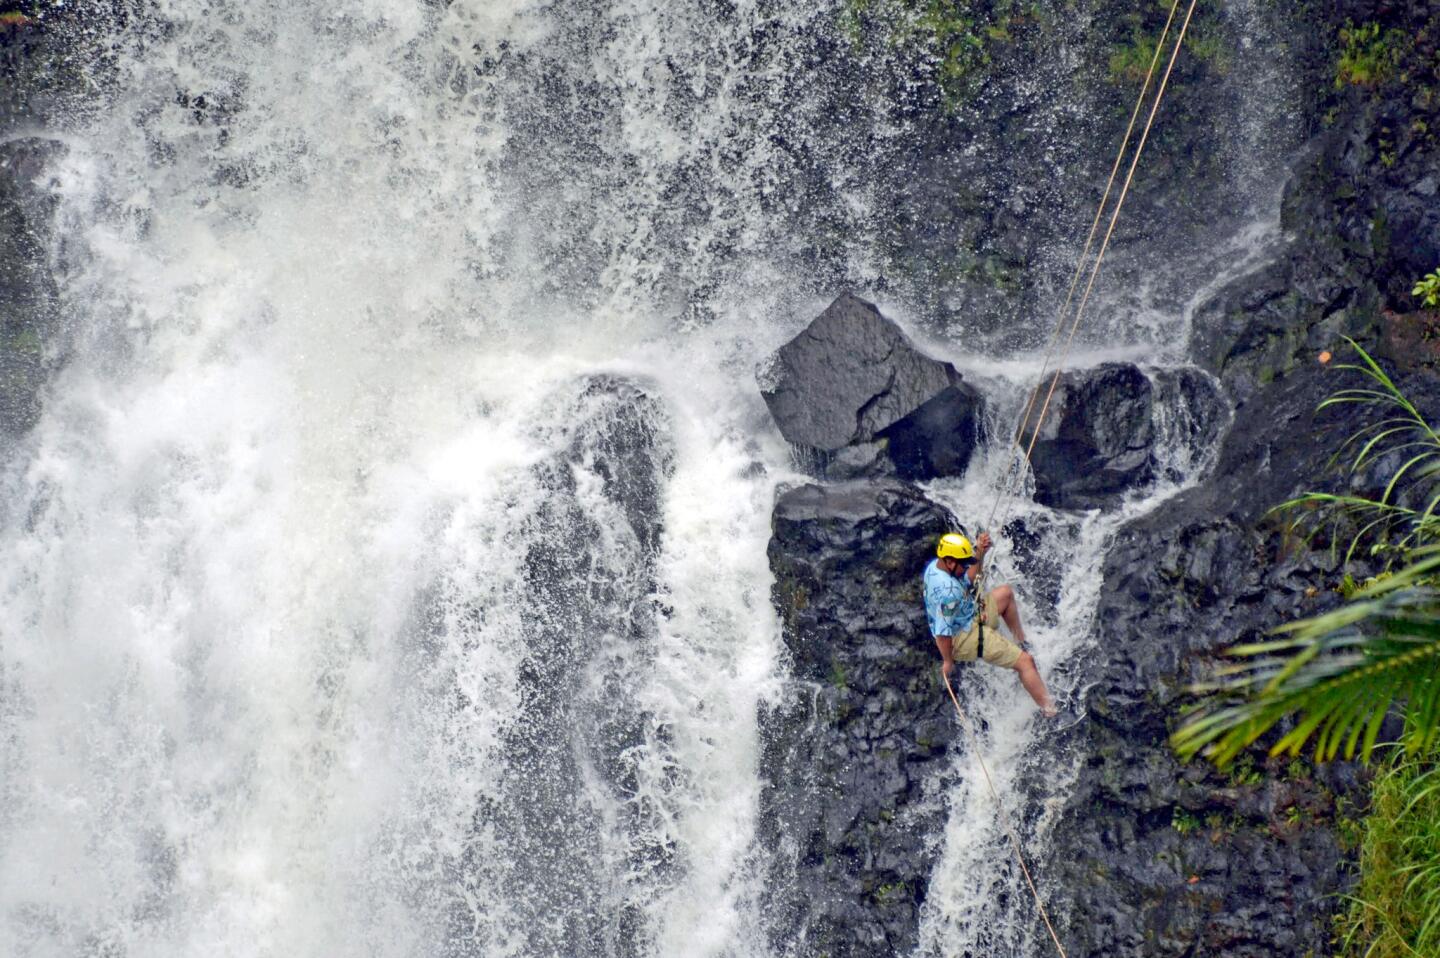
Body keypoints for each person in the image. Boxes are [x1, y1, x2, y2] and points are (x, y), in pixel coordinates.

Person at [924, 531, 1057, 717]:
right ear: (950, 562)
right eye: (963, 564)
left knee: (1006, 594)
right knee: (1026, 662)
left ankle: (1020, 641)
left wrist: (980, 552)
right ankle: (1050, 711)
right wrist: (948, 661)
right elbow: (942, 632)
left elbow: (968, 579)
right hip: (963, 637)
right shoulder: (949, 593)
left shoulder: (936, 567)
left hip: (966, 614)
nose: (965, 567)